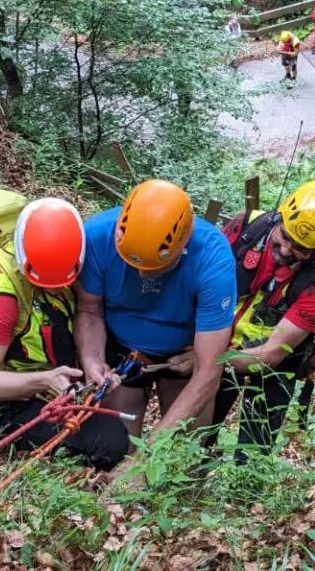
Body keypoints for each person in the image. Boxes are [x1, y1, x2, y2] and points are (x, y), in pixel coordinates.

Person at [0, 198, 130, 469]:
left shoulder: (70, 267)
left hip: (59, 386)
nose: (56, 289)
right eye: (45, 283)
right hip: (12, 402)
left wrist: (93, 367)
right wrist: (45, 381)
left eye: (62, 282)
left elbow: (84, 315)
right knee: (110, 442)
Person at [76, 179, 237, 448]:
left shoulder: (213, 259)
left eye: (156, 267)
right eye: (131, 262)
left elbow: (208, 372)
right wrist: (92, 360)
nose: (141, 275)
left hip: (183, 352)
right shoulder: (97, 236)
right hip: (121, 347)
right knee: (114, 449)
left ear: (182, 247)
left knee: (186, 453)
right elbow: (89, 309)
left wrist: (147, 456)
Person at [210, 181, 315, 462]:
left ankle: (245, 497)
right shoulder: (249, 228)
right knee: (198, 431)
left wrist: (210, 360)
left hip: (277, 361)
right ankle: (187, 489)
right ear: (281, 216)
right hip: (219, 342)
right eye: (285, 236)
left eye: (300, 248)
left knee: (254, 449)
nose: (286, 250)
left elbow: (272, 354)